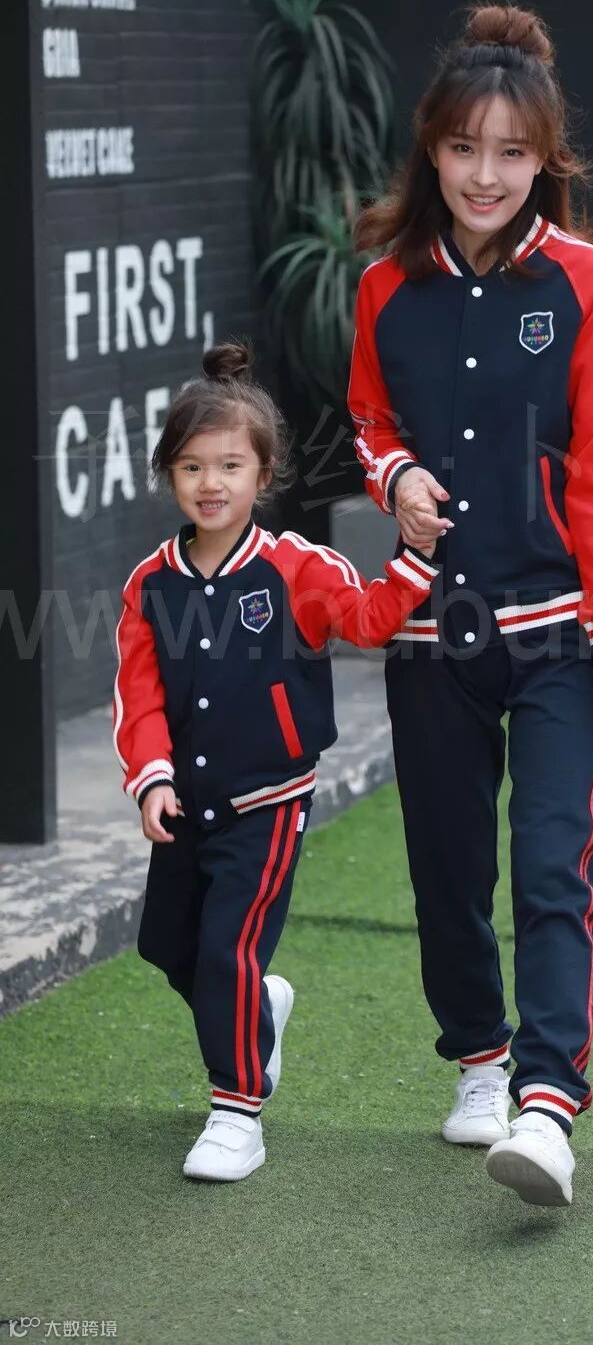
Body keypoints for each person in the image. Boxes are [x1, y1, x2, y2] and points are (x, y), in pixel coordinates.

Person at [349, 5, 593, 1207]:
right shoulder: (382, 286)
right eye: (465, 147)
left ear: (544, 159)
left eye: (512, 152)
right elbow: (369, 421)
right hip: (431, 637)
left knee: (550, 867)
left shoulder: (589, 282)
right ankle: (478, 1059)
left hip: (562, 634)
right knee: (447, 867)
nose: (486, 174)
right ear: (432, 147)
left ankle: (546, 1104)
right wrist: (394, 479)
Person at [113, 341, 439, 1182]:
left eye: (230, 466)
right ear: (169, 474)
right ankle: (258, 1007)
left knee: (227, 949)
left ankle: (237, 1110)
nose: (210, 483)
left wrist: (413, 561)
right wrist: (151, 778)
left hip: (268, 802)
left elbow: (367, 619)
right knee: (167, 946)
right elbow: (137, 698)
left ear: (264, 474)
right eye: (191, 466)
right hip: (184, 804)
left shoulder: (297, 566)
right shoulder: (150, 585)